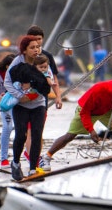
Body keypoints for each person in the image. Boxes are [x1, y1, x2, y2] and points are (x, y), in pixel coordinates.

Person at [39, 75, 112, 171]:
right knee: (70, 135)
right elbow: (84, 112)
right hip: (86, 111)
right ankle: (46, 157)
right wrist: (91, 130)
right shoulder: (98, 90)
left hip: (106, 110)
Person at [5, 35, 51, 180]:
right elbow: (7, 83)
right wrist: (20, 95)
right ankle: (16, 163)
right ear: (24, 50)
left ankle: (33, 169)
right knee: (21, 135)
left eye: (37, 47)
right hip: (21, 105)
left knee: (37, 135)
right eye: (32, 48)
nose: (36, 50)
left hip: (38, 104)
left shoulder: (41, 60)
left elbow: (48, 76)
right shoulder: (17, 63)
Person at [23, 25, 63, 164]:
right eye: (34, 39)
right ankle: (32, 159)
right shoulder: (23, 57)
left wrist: (58, 96)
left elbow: (54, 78)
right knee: (29, 132)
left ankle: (34, 157)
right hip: (25, 100)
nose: (37, 42)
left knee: (38, 131)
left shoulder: (47, 57)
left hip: (42, 100)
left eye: (40, 39)